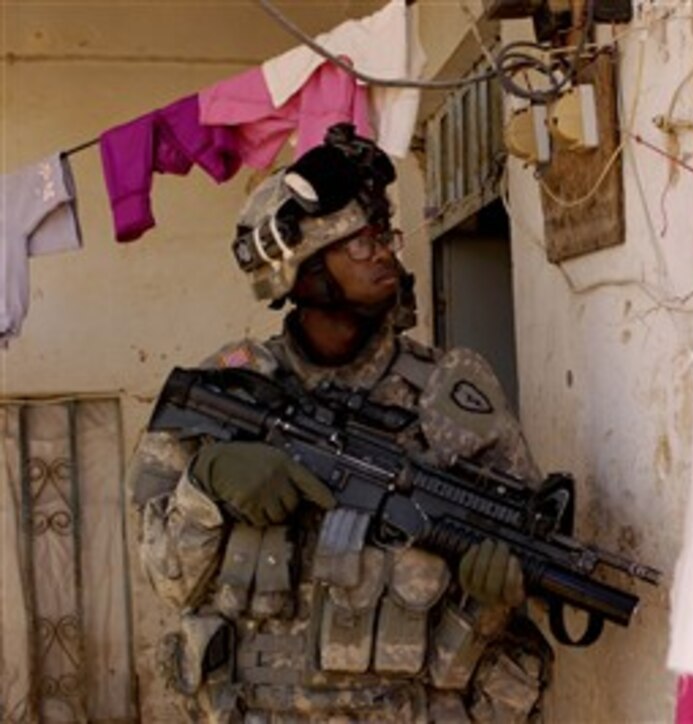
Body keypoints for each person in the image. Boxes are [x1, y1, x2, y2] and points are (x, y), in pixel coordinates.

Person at [128, 124, 552, 723]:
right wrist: (205, 485)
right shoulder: (226, 394)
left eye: (385, 236)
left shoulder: (447, 393)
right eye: (359, 242)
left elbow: (518, 540)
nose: (384, 253)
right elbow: (168, 581)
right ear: (302, 272)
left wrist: (497, 591)